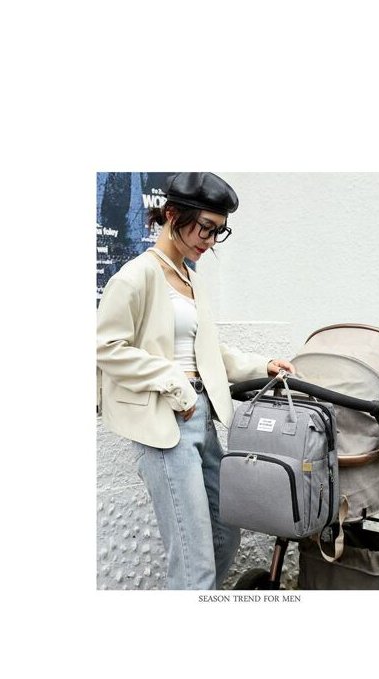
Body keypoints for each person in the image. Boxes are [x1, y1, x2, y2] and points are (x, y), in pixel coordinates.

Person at [96, 171, 295, 590]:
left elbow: (207, 351)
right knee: (194, 562)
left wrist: (262, 365)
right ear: (172, 214)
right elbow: (106, 346)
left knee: (225, 535)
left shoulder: (190, 280)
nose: (210, 240)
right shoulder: (136, 276)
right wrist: (173, 383)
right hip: (167, 425)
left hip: (202, 417)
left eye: (219, 231)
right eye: (206, 227)